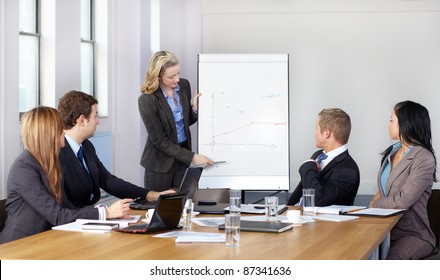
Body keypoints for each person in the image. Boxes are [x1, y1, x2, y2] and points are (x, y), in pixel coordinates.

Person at [0, 107, 131, 244]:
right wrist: (105, 213)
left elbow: (66, 206)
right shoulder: (24, 167)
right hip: (19, 246)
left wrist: (107, 216)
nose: (64, 131)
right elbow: (57, 215)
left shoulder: (51, 163)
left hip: (47, 240)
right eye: (60, 128)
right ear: (48, 133)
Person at [58, 90, 174, 208]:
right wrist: (102, 214)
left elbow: (108, 181)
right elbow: (63, 205)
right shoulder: (57, 152)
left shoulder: (87, 146)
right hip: (73, 220)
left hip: (88, 217)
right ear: (81, 120)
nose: (98, 121)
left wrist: (150, 195)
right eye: (95, 116)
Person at [368, 100, 436, 260]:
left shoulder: (424, 158)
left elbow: (403, 201)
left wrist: (375, 205)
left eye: (392, 120)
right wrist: (373, 203)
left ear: (406, 123)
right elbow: (384, 189)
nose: (388, 124)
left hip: (412, 233)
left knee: (393, 261)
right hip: (383, 229)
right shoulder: (393, 151)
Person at [139, 51, 213, 192]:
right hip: (159, 165)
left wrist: (195, 109)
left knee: (182, 204)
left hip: (182, 159)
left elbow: (185, 123)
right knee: (159, 207)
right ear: (158, 76)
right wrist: (193, 156)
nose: (177, 79)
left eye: (178, 73)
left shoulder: (184, 86)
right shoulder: (147, 100)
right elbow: (159, 140)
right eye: (172, 76)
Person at [287, 108, 360, 206]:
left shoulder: (348, 171)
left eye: (316, 128)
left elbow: (317, 200)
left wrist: (307, 167)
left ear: (327, 133)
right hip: (295, 215)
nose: (314, 133)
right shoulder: (318, 155)